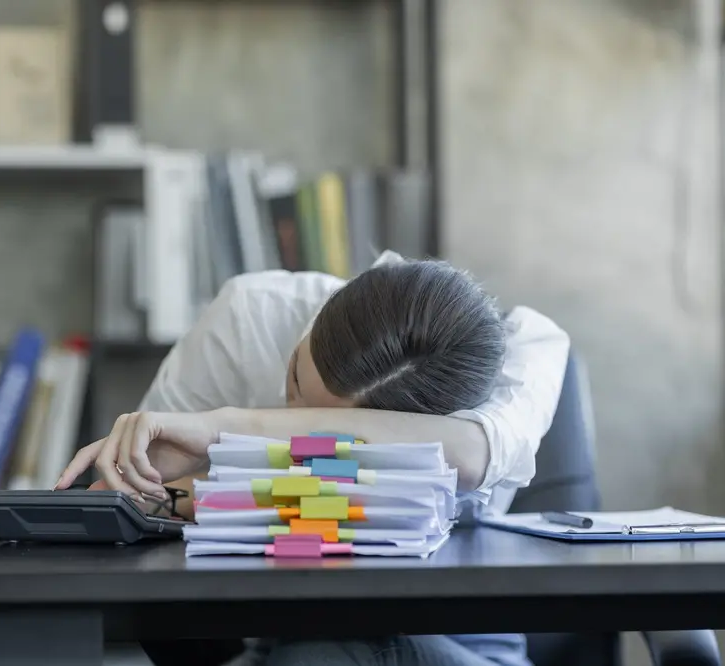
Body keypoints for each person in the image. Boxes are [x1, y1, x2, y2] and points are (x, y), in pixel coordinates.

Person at [55, 251, 570, 666]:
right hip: (259, 632)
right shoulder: (251, 317)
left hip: (449, 637)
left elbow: (474, 455)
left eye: (330, 422)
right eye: (297, 380)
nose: (292, 411)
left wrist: (221, 429)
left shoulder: (520, 359)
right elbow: (139, 498)